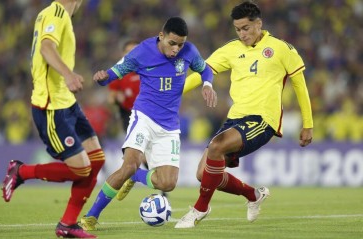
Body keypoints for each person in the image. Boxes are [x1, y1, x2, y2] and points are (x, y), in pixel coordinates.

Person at [175, 1, 314, 228]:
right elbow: (204, 71)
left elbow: (300, 86)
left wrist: (308, 124)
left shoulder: (281, 49)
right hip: (235, 118)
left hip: (263, 120)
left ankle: (199, 209)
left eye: (246, 28)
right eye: (237, 29)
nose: (242, 34)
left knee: (216, 146)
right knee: (204, 173)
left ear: (258, 24)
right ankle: (253, 195)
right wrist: (173, 93)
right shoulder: (231, 49)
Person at [80, 16, 217, 231]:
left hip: (170, 126)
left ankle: (136, 176)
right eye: (172, 43)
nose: (176, 49)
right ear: (161, 36)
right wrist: (102, 78)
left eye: (180, 44)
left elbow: (205, 69)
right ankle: (91, 216)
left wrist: (207, 84)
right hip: (143, 117)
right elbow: (114, 73)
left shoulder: (189, 51)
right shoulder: (142, 52)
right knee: (129, 165)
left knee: (167, 183)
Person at [1, 1, 105, 238]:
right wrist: (68, 74)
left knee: (96, 159)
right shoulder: (56, 13)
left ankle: (68, 224)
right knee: (81, 170)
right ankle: (21, 171)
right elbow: (46, 48)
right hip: (51, 108)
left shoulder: (55, 15)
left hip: (67, 102)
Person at [108, 39, 168, 198]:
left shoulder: (149, 68)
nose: (132, 54)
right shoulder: (118, 73)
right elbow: (111, 96)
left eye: (135, 51)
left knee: (147, 152)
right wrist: (117, 97)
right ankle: (138, 175)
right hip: (128, 115)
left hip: (149, 113)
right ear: (123, 54)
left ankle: (137, 174)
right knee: (139, 151)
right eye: (128, 51)